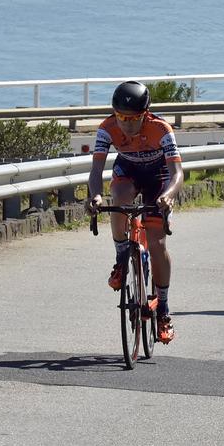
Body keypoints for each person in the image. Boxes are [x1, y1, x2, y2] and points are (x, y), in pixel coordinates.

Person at [87, 80, 184, 344]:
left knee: (156, 241)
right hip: (127, 170)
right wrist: (95, 195)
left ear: (146, 114)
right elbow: (96, 172)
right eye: (121, 117)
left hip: (158, 177)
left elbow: (177, 173)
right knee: (118, 198)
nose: (127, 124)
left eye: (134, 118)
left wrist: (167, 195)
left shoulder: (161, 129)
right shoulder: (106, 129)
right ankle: (121, 259)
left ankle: (163, 309)